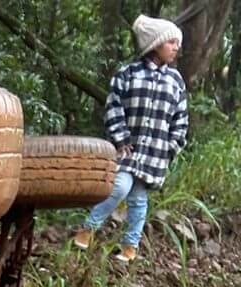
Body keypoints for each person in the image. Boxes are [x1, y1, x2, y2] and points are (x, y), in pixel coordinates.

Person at [73, 15, 188, 265]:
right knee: (119, 187)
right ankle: (88, 228)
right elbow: (113, 107)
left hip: (154, 153)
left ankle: (130, 247)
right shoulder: (127, 74)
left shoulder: (176, 81)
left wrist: (172, 146)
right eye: (171, 42)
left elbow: (180, 118)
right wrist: (120, 137)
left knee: (138, 199)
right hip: (128, 148)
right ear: (155, 44)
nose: (176, 47)